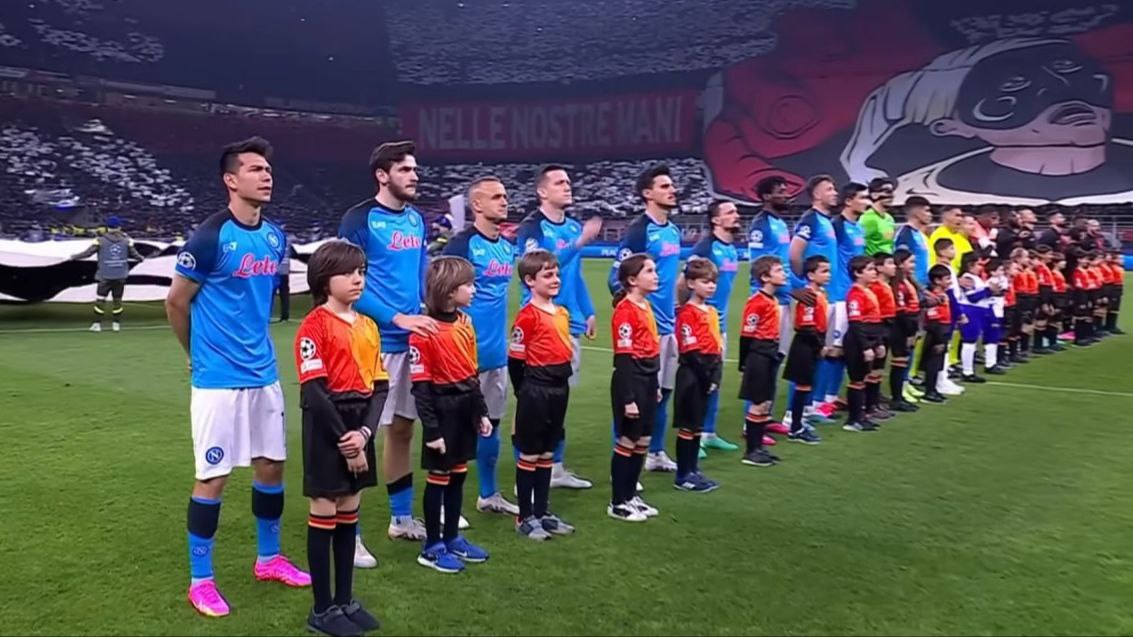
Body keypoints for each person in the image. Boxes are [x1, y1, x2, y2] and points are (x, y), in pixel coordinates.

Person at [165, 137, 309, 618]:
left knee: (272, 466)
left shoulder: (274, 237)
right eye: (254, 169)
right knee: (214, 476)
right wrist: (196, 354)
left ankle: (268, 560)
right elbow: (176, 302)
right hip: (218, 381)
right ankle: (200, 581)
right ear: (231, 180)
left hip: (263, 374)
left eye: (268, 168)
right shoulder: (209, 237)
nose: (265, 175)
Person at [339, 141, 434, 564]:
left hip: (412, 342)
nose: (414, 176)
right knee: (359, 438)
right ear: (382, 174)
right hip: (370, 343)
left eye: (415, 169)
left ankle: (401, 518)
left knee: (402, 430)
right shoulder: (359, 219)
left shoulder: (417, 220)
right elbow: (345, 282)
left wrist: (428, 312)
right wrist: (397, 318)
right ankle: (350, 533)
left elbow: (419, 277)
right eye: (405, 169)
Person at [294, 240, 385, 637]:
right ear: (323, 279)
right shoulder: (314, 325)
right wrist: (347, 442)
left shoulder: (368, 325)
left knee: (350, 510)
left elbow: (379, 387)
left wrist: (364, 434)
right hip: (327, 424)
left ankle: (345, 600)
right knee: (326, 509)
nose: (357, 278)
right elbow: (314, 389)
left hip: (358, 422)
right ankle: (321, 609)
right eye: (348, 272)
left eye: (361, 271)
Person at [516, 165, 602, 489]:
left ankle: (554, 469)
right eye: (559, 182)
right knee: (535, 404)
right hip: (540, 327)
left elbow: (575, 275)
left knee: (559, 401)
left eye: (568, 180)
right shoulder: (532, 228)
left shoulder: (573, 226)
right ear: (542, 191)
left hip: (569, 325)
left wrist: (589, 310)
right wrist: (579, 242)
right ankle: (528, 470)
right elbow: (539, 266)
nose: (567, 186)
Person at [442, 177, 519, 519]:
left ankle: (488, 494)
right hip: (461, 357)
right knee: (454, 432)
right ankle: (446, 504)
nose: (504, 202)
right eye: (496, 197)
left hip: (495, 354)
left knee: (492, 424)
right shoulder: (461, 246)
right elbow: (440, 295)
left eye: (505, 196)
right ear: (477, 205)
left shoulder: (505, 246)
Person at [410, 256, 493, 573]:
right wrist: (432, 431)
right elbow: (422, 387)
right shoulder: (424, 331)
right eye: (467, 285)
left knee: (458, 475)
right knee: (439, 479)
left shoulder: (466, 323)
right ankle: (431, 546)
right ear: (447, 291)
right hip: (441, 409)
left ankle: (453, 537)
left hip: (464, 408)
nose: (473, 290)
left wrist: (481, 412)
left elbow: (471, 373)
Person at [608, 164, 682, 473]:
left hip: (668, 324)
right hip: (645, 329)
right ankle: (625, 461)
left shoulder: (673, 229)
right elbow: (616, 278)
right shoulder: (640, 231)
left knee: (662, 393)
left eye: (671, 185)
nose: (672, 190)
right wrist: (634, 309)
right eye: (664, 186)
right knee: (632, 399)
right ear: (647, 194)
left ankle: (655, 452)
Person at [508, 250, 577, 540]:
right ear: (529, 280)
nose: (555, 279)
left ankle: (542, 511)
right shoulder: (527, 317)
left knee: (548, 452)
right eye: (547, 275)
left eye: (557, 274)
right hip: (535, 389)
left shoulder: (561, 313)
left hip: (559, 388)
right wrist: (524, 392)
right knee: (531, 452)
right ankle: (525, 516)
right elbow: (515, 361)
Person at [749, 176, 817, 431]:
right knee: (763, 364)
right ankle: (751, 425)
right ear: (766, 197)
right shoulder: (761, 224)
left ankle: (763, 418)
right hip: (767, 304)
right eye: (780, 192)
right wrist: (794, 290)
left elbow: (784, 266)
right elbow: (760, 268)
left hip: (783, 300)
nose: (786, 196)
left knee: (776, 360)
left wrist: (800, 286)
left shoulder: (779, 222)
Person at [608, 253, 662, 522]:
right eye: (649, 271)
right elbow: (624, 358)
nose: (656, 275)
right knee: (628, 441)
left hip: (648, 380)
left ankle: (631, 495)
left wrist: (656, 384)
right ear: (632, 279)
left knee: (643, 441)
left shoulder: (645, 305)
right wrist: (628, 397)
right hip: (632, 381)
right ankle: (617, 501)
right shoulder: (626, 311)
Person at [690, 199, 742, 454]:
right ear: (716, 220)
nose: (736, 214)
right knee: (698, 381)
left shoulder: (730, 248)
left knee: (715, 379)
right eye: (730, 211)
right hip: (701, 323)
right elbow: (685, 279)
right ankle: (693, 434)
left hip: (719, 323)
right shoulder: (706, 246)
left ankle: (708, 432)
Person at [788, 175, 840, 419]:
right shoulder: (810, 219)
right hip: (811, 294)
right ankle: (793, 412)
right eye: (829, 189)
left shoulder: (825, 220)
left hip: (822, 293)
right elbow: (794, 253)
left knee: (818, 351)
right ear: (816, 195)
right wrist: (803, 286)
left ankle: (808, 408)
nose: (834, 192)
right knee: (804, 355)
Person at [672, 259, 723, 491]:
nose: (711, 286)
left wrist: (715, 376)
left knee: (697, 426)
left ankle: (693, 470)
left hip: (708, 371)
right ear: (691, 283)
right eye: (705, 282)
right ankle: (683, 475)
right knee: (688, 426)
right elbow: (691, 350)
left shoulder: (711, 311)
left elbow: (716, 345)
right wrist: (706, 377)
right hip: (693, 374)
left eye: (713, 282)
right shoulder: (687, 313)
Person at [738, 255, 788, 466]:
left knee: (765, 403)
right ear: (765, 277)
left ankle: (758, 447)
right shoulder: (757, 302)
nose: (784, 274)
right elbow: (746, 334)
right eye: (779, 270)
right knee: (758, 403)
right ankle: (751, 451)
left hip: (769, 352)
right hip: (758, 354)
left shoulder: (772, 300)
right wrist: (744, 362)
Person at [825, 182, 870, 411]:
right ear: (849, 200)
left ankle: (831, 396)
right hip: (839, 295)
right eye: (862, 198)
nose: (867, 202)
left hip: (854, 294)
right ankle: (821, 400)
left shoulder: (858, 227)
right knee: (833, 350)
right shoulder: (837, 226)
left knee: (845, 349)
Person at [782, 255, 831, 444]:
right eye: (824, 271)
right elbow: (805, 325)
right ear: (811, 275)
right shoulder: (808, 295)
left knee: (806, 386)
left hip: (812, 343)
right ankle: (795, 427)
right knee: (802, 387)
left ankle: (798, 423)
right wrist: (820, 345)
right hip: (805, 344)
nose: (828, 275)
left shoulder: (821, 293)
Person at [70, 215, 144, 332]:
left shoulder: (100, 240)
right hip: (120, 275)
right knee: (117, 301)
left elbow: (88, 253)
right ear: (119, 227)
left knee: (100, 300)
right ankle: (116, 325)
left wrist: (74, 257)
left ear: (107, 227)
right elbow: (136, 256)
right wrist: (142, 258)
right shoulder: (127, 240)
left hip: (105, 275)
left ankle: (97, 324)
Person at [843, 255, 884, 432]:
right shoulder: (855, 294)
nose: (874, 272)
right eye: (870, 269)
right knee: (857, 380)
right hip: (857, 341)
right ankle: (853, 420)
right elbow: (856, 323)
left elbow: (876, 320)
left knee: (865, 379)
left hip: (871, 339)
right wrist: (866, 346)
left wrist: (879, 342)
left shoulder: (869, 291)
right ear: (858, 273)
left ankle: (862, 416)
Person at [955, 252, 998, 383]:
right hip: (971, 310)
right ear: (970, 265)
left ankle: (968, 370)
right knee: (969, 340)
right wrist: (989, 290)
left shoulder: (975, 278)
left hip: (978, 311)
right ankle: (967, 371)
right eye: (978, 264)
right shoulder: (968, 277)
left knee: (972, 340)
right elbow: (972, 297)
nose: (981, 267)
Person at [867, 252, 898, 420]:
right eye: (890, 263)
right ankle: (869, 405)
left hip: (886, 327)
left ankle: (874, 403)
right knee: (873, 368)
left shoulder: (886, 285)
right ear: (880, 268)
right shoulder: (876, 287)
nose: (894, 267)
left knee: (878, 368)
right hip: (878, 328)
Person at [889, 249, 921, 409]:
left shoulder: (908, 281)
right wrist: (909, 332)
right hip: (901, 326)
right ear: (901, 264)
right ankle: (897, 398)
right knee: (899, 362)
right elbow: (901, 311)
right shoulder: (898, 284)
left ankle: (901, 394)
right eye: (911, 262)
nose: (914, 265)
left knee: (904, 361)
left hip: (909, 324)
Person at [920, 265, 955, 404]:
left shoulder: (942, 294)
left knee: (937, 363)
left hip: (942, 331)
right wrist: (940, 340)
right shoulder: (933, 297)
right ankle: (929, 391)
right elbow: (933, 319)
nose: (950, 281)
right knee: (932, 364)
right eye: (947, 279)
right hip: (937, 332)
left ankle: (933, 390)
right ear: (937, 280)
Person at [894, 196, 932, 287]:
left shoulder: (920, 234)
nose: (930, 214)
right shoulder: (905, 235)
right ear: (916, 213)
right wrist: (920, 289)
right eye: (926, 211)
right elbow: (903, 265)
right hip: (914, 288)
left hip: (924, 286)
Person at [859, 177, 898, 255]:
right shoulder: (868, 219)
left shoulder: (889, 218)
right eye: (887, 191)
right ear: (874, 195)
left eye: (892, 191)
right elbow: (859, 244)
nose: (892, 195)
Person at [1105, 249, 1125, 335]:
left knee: (1116, 307)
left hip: (1119, 287)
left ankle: (1112, 325)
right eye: (1120, 258)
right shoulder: (1112, 267)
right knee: (1112, 307)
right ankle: (1109, 326)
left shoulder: (1118, 267)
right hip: (1114, 287)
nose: (1122, 260)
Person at [276, 232, 291, 321]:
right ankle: (285, 315)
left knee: (270, 294)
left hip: (276, 270)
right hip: (285, 270)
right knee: (284, 294)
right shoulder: (287, 241)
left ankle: (266, 314)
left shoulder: (274, 242)